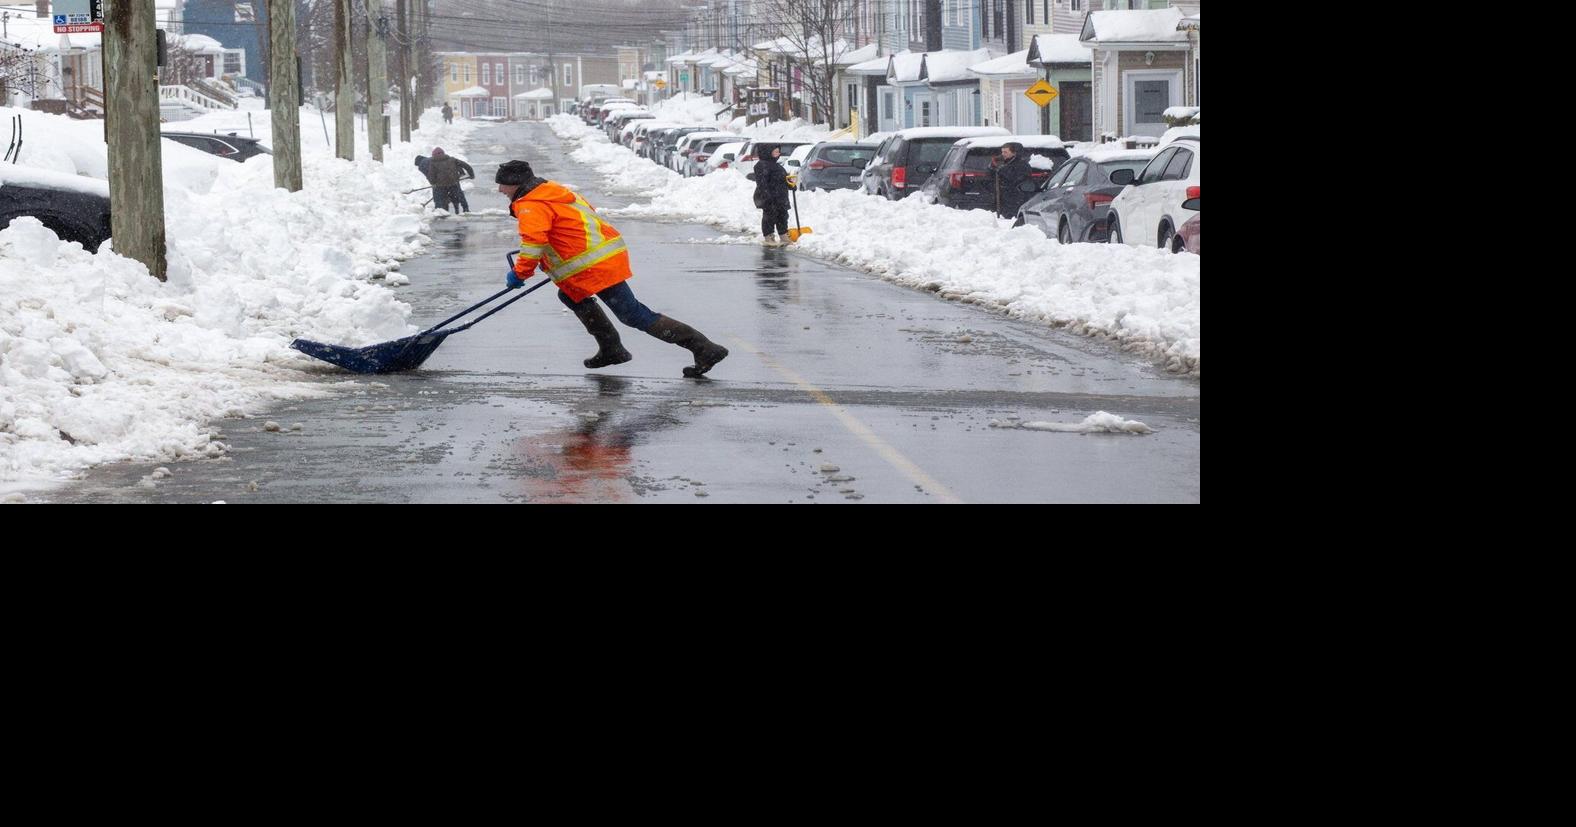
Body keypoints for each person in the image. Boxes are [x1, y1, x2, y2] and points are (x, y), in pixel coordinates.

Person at [495, 160, 729, 378]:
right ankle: (611, 348)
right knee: (571, 295)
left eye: (502, 185)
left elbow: (534, 242)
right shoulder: (551, 192)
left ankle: (703, 347)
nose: (500, 190)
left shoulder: (531, 204)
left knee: (632, 314)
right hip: (599, 259)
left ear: (515, 184)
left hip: (594, 265)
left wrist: (519, 273)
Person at [751, 144, 792, 246]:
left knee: (783, 216)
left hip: (781, 197)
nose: (778, 153)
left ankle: (783, 235)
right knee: (770, 217)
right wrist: (766, 195)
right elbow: (762, 183)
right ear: (768, 152)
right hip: (770, 197)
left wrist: (791, 184)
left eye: (779, 151)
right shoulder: (761, 165)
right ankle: (769, 236)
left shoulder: (778, 166)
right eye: (776, 151)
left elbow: (784, 179)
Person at [414, 147, 475, 213]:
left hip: (441, 185)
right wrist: (471, 175)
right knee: (459, 194)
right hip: (453, 182)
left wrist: (433, 183)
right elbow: (466, 166)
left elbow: (430, 176)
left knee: (438, 197)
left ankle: (440, 211)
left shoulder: (430, 164)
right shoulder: (452, 159)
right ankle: (466, 209)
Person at [991, 141, 1033, 219]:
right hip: (1004, 200)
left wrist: (1002, 170)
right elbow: (991, 175)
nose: (1003, 154)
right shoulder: (1004, 163)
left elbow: (1015, 178)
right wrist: (992, 167)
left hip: (1016, 199)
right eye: (1002, 152)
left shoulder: (1021, 164)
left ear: (1014, 153)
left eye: (1006, 152)